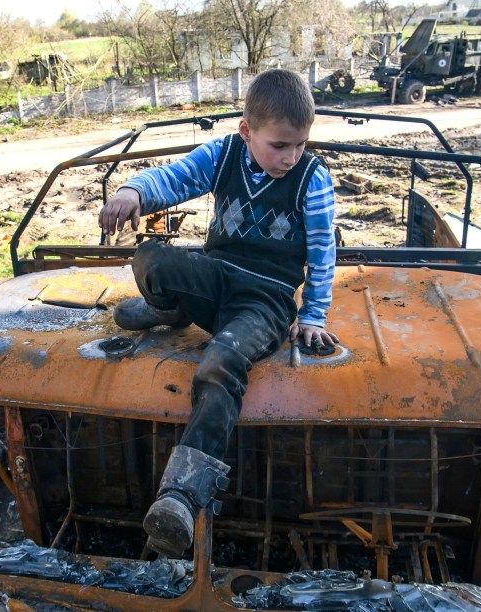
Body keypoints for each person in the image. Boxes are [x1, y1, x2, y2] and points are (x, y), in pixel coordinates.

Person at [98, 69, 339, 558]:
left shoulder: (312, 179)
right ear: (247, 131)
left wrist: (312, 315)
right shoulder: (224, 154)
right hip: (216, 277)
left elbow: (321, 250)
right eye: (279, 145)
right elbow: (177, 175)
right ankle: (169, 309)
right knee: (151, 258)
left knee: (219, 365)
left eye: (300, 144)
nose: (291, 157)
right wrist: (135, 192)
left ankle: (181, 496)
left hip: (265, 301)